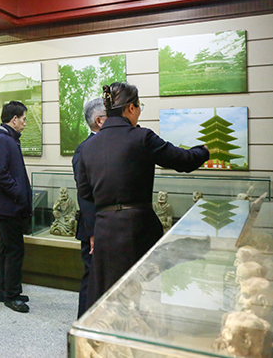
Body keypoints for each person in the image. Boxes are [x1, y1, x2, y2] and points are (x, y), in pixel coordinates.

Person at [77, 82, 210, 310]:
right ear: (130, 108)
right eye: (139, 106)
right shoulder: (141, 137)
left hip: (105, 229)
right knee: (142, 293)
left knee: (107, 294)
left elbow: (84, 192)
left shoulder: (88, 147)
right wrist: (205, 150)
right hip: (137, 228)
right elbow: (183, 161)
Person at [0, 100, 32, 313]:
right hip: (8, 207)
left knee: (6, 250)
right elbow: (1, 174)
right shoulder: (2, 140)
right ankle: (11, 295)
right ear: (14, 119)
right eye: (23, 119)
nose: (25, 123)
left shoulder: (7, 139)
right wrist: (18, 193)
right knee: (14, 251)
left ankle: (5, 290)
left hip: (9, 206)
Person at [71, 97, 106, 319]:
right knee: (92, 277)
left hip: (108, 224)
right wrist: (93, 231)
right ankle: (83, 324)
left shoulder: (107, 145)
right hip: (93, 227)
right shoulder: (84, 149)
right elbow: (85, 195)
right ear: (99, 120)